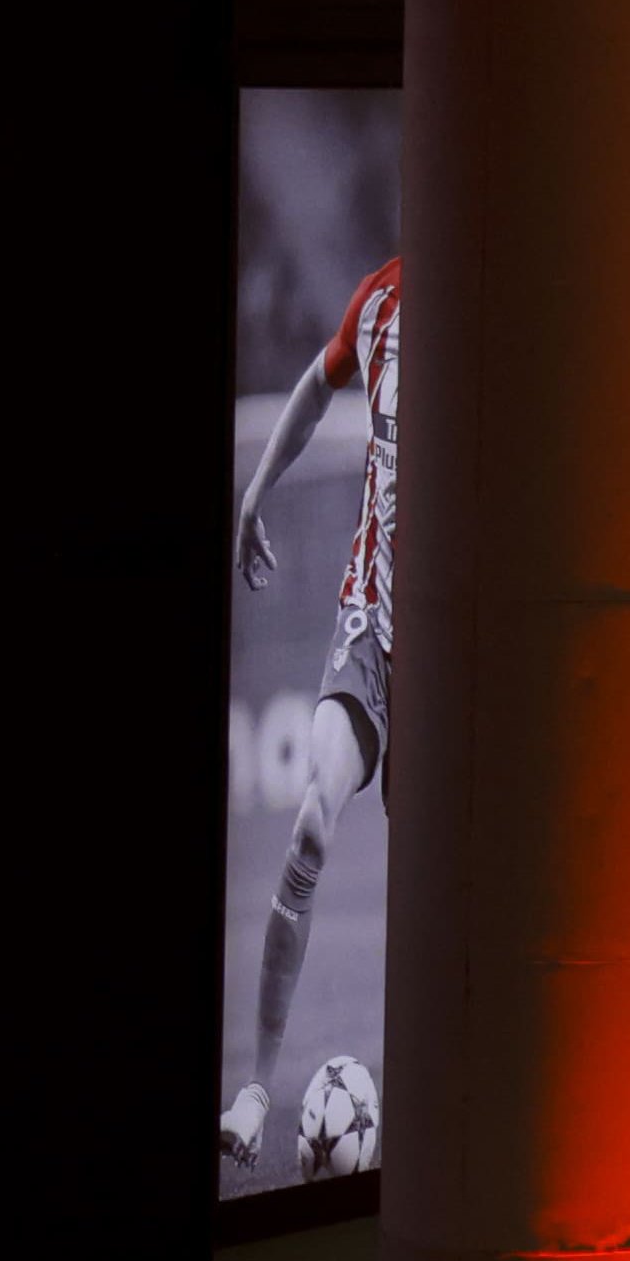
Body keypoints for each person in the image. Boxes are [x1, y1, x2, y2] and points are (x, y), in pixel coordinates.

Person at [218, 248, 401, 1173]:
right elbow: (314, 384)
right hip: (372, 624)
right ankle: (257, 1083)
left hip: (458, 638)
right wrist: (255, 493)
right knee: (309, 832)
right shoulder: (379, 299)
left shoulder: (506, 316)